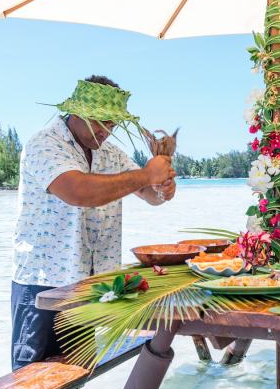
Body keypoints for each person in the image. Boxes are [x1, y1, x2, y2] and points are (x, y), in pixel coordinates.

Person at [10, 75, 176, 370]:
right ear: (76, 112)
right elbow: (79, 192)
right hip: (43, 284)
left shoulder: (109, 152)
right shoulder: (44, 144)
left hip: (90, 283)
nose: (106, 131)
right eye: (101, 121)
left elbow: (148, 194)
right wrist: (147, 175)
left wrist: (163, 188)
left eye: (113, 124)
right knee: (31, 378)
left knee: (77, 372)